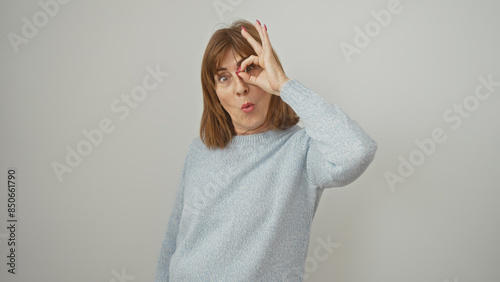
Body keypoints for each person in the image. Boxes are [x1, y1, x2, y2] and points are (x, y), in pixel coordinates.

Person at [154, 19, 377, 281]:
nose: (240, 88)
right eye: (224, 78)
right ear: (213, 92)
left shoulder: (301, 151)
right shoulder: (199, 151)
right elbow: (174, 240)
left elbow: (357, 150)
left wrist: (284, 86)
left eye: (249, 69)